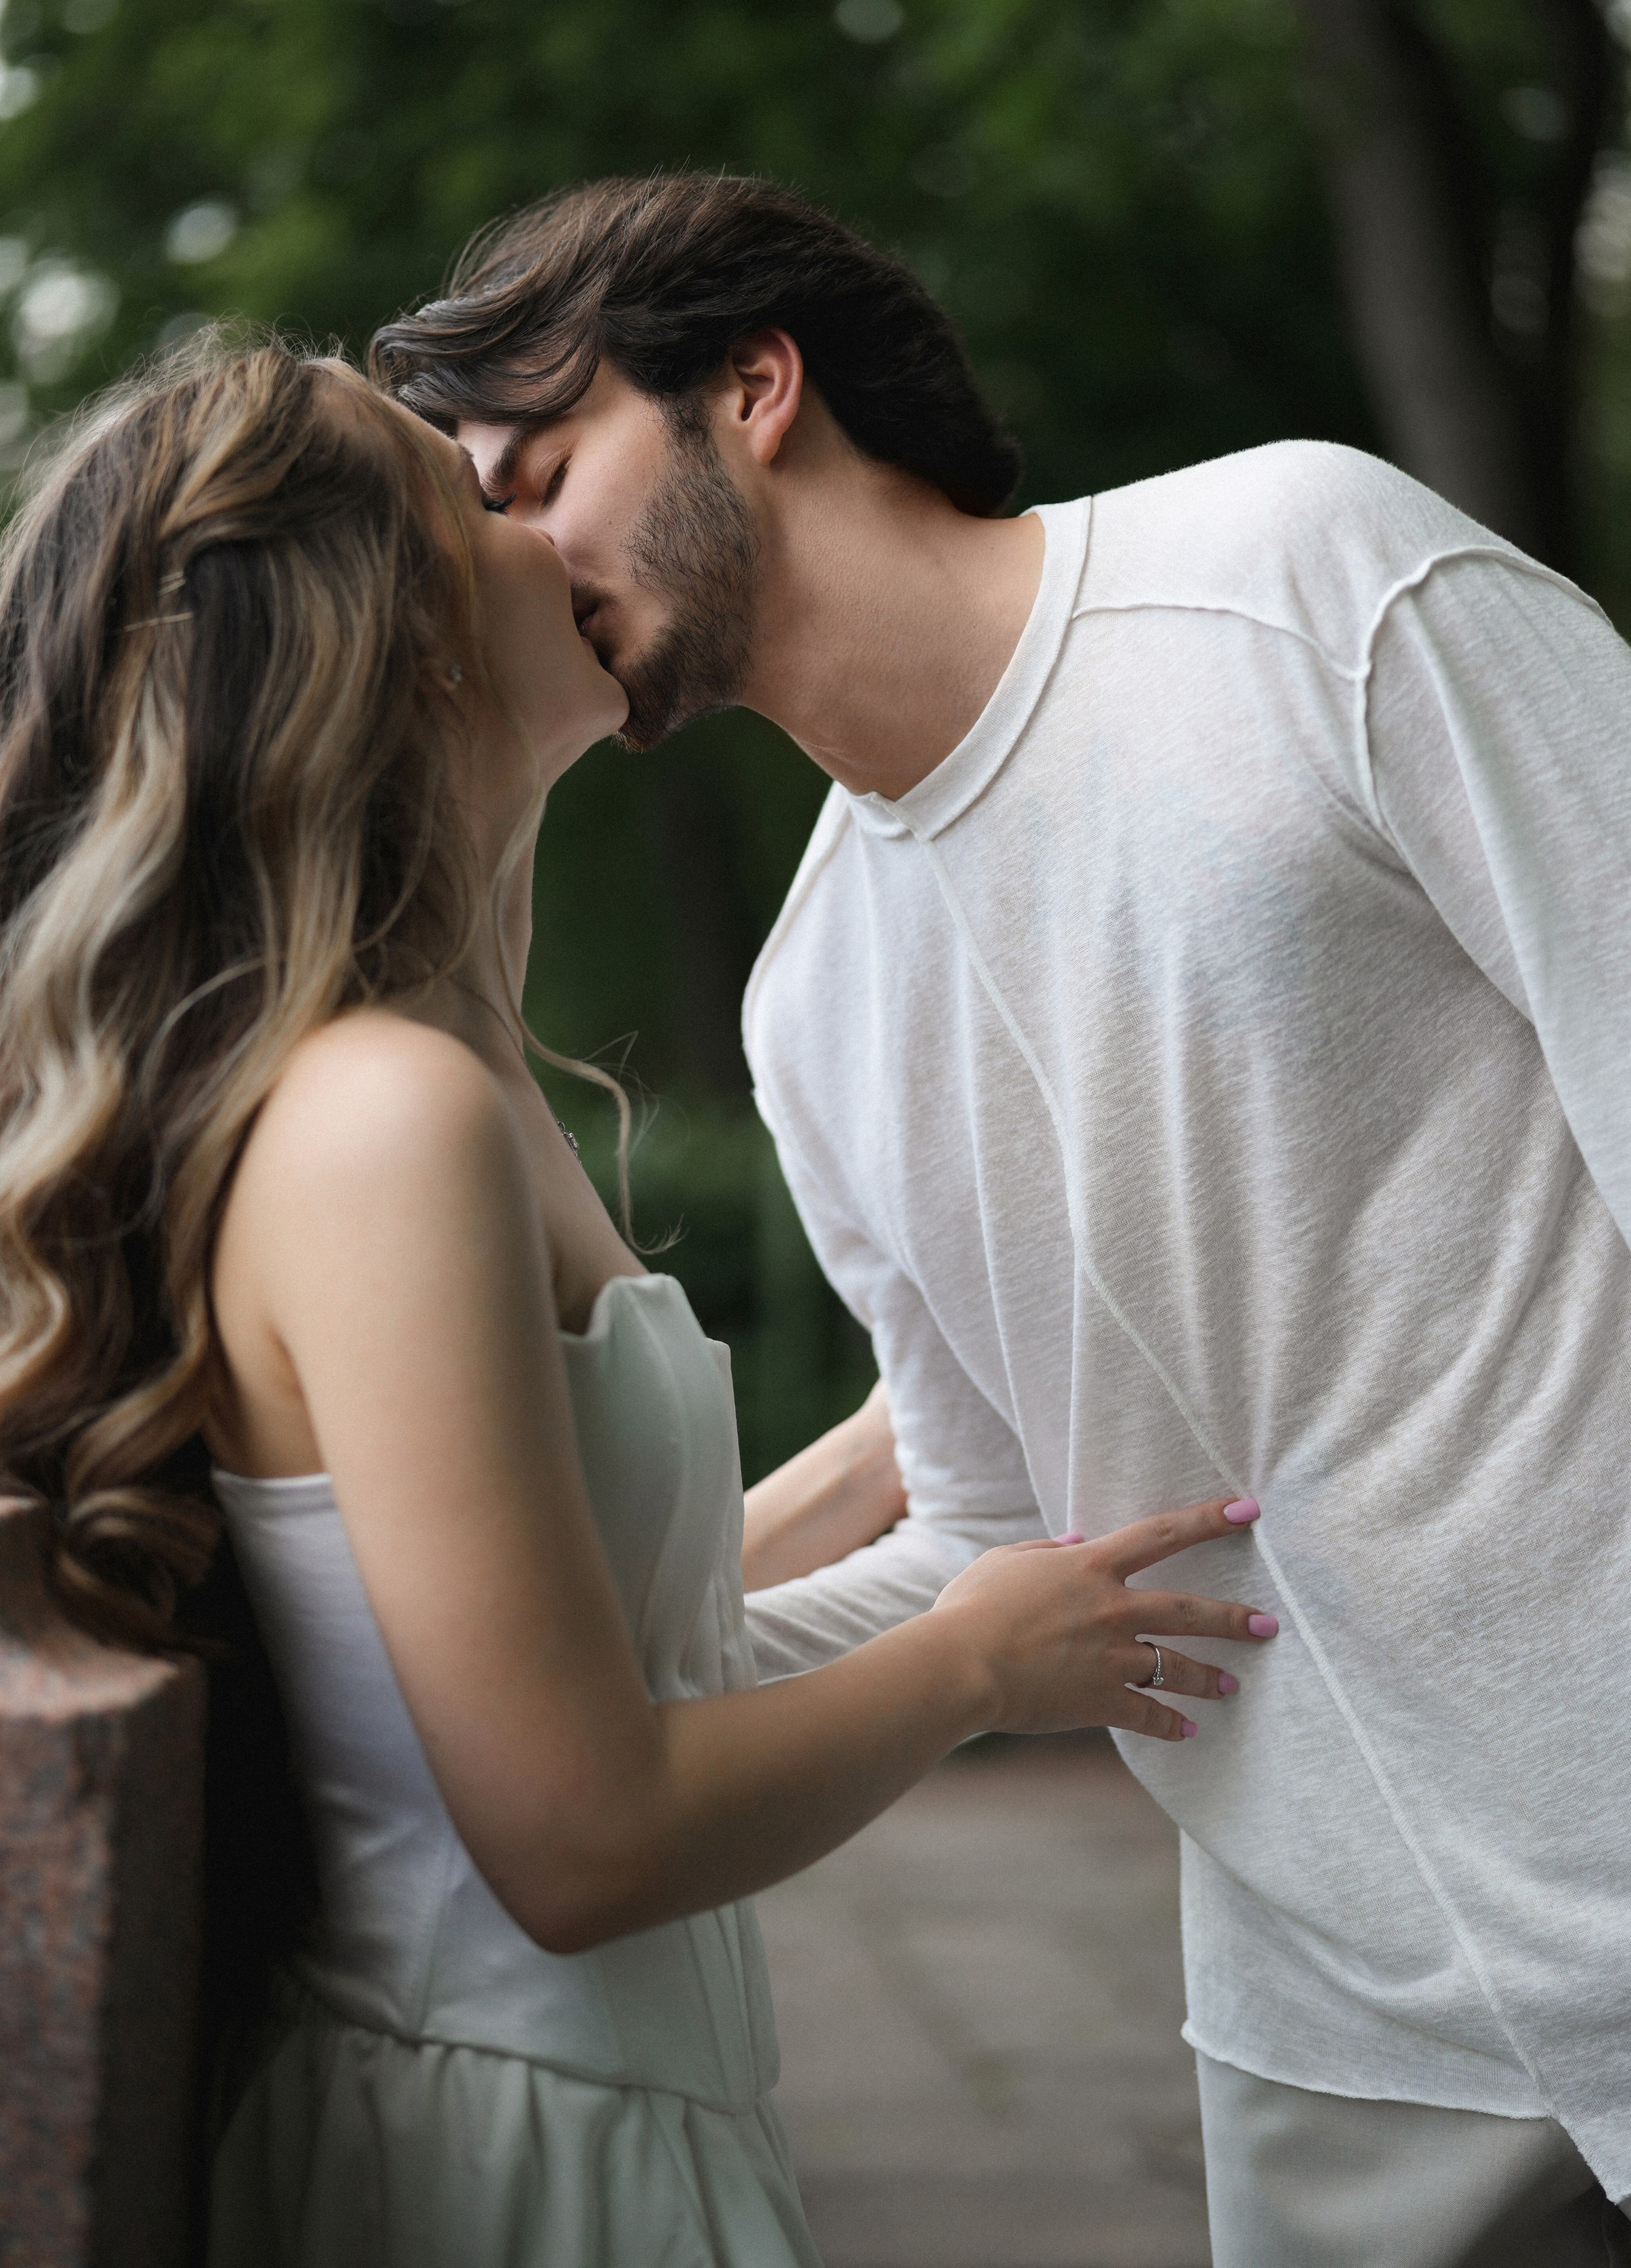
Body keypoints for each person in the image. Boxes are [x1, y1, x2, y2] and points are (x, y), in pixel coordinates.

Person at [0, 337, 1272, 2268]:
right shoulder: (386, 1120)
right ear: (398, 638)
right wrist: (978, 1663)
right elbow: (578, 1836)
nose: (544, 526)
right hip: (504, 2170)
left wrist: (905, 1444)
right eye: (473, 503)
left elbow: (594, 1625)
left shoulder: (437, 1082)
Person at [372, 170, 1631, 2267]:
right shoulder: (814, 999)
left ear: (754, 390)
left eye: (543, 466)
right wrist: (563, 1714)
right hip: (1332, 2047)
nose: (514, 553)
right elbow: (990, 1538)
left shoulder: (1302, 573)